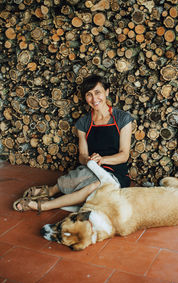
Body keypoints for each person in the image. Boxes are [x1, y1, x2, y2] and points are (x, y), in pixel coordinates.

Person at [13, 75, 133, 213]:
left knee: (95, 186)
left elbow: (124, 155)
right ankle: (50, 191)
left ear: (107, 92)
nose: (94, 99)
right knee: (83, 174)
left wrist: (102, 160)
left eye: (98, 92)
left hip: (116, 173)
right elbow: (82, 155)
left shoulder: (122, 118)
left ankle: (44, 205)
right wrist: (88, 160)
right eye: (89, 94)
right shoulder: (83, 123)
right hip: (91, 167)